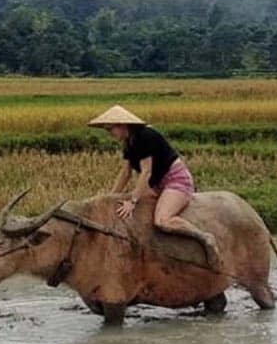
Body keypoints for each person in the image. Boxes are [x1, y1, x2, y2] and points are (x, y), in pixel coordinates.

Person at [88, 105, 220, 270]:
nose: (110, 134)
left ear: (122, 125)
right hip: (156, 185)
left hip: (175, 181)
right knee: (123, 206)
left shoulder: (145, 136)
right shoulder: (129, 141)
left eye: (110, 129)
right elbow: (125, 173)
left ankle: (204, 237)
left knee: (162, 220)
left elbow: (146, 172)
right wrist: (109, 198)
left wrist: (133, 201)